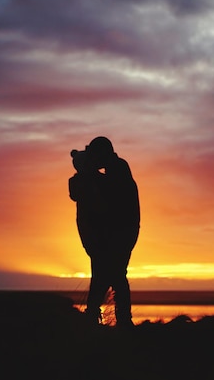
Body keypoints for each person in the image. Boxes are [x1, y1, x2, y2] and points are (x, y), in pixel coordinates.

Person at [68, 136, 140, 327]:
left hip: (117, 235)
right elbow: (79, 193)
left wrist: (87, 171)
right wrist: (86, 172)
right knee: (110, 276)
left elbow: (108, 195)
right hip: (109, 236)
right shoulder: (113, 170)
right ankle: (113, 319)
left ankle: (109, 319)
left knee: (110, 276)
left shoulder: (118, 169)